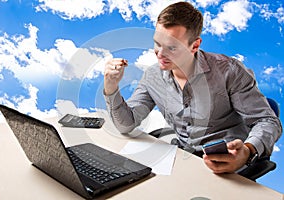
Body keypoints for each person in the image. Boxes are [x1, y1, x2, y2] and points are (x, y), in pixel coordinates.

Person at [103, 2, 282, 174]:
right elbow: (126, 124)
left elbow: (268, 121)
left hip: (226, 161)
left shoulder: (230, 72)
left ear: (194, 45)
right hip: (183, 160)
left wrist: (247, 150)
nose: (160, 53)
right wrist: (111, 88)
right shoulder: (152, 76)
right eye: (157, 43)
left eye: (172, 47)